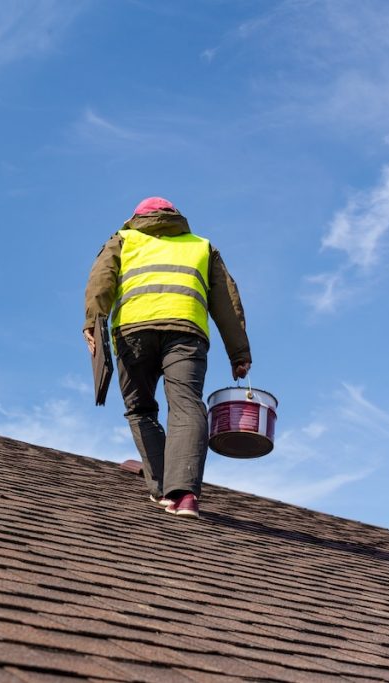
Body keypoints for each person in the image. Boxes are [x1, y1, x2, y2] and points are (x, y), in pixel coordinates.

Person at [84, 197, 251, 519]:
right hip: (187, 333)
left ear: (136, 217)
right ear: (176, 217)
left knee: (141, 409)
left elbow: (100, 282)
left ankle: (162, 487)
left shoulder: (123, 238)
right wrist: (239, 354)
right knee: (187, 405)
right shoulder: (202, 246)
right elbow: (227, 303)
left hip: (134, 333)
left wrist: (92, 324)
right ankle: (184, 494)